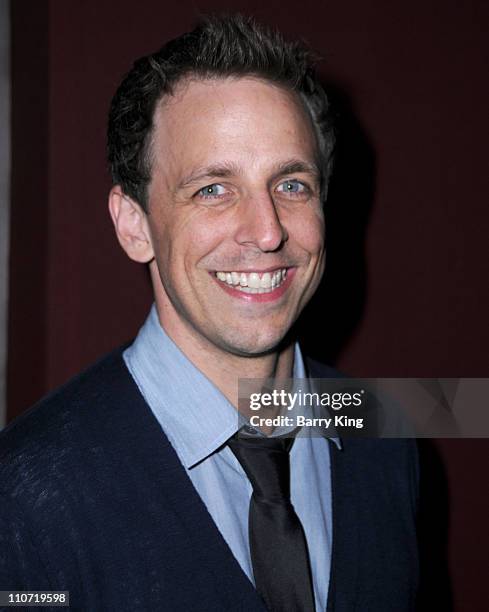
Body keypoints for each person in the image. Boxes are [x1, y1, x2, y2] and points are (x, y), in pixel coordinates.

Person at [0, 15, 419, 612]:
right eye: (213, 190)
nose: (268, 230)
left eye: (292, 184)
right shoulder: (23, 496)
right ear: (135, 224)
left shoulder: (385, 430)